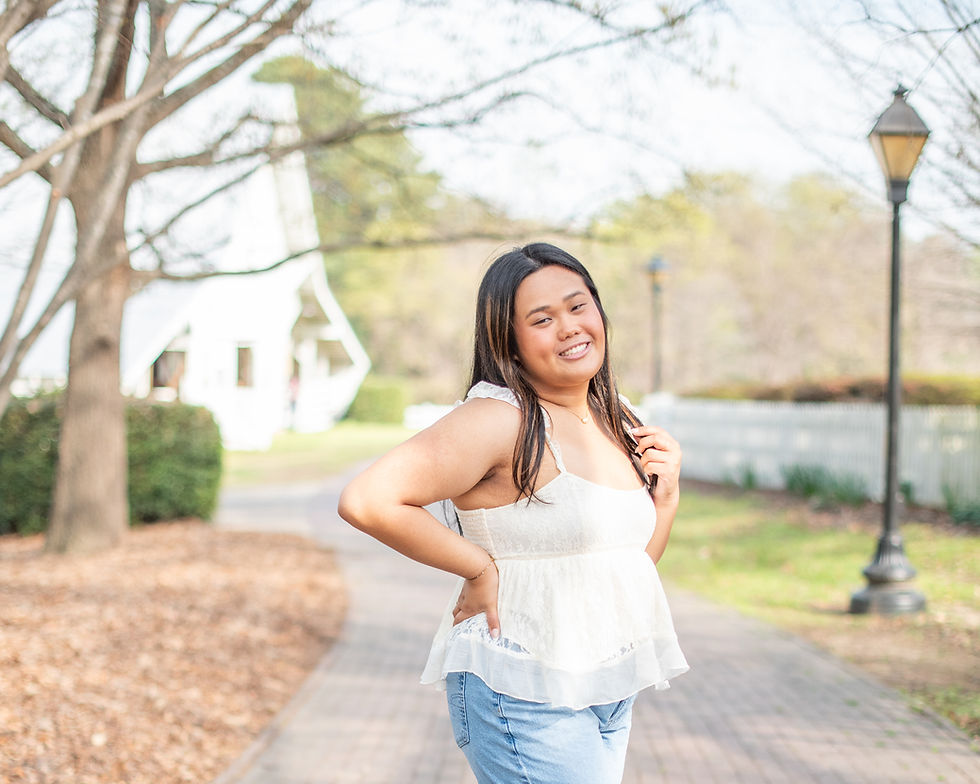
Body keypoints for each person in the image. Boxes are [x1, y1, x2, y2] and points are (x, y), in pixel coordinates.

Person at [338, 242, 688, 784]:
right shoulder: (500, 419)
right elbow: (368, 499)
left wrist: (664, 501)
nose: (569, 328)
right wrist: (476, 568)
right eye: (541, 319)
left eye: (578, 306)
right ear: (511, 342)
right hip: (523, 684)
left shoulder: (616, 418)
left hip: (607, 685)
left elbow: (629, 571)